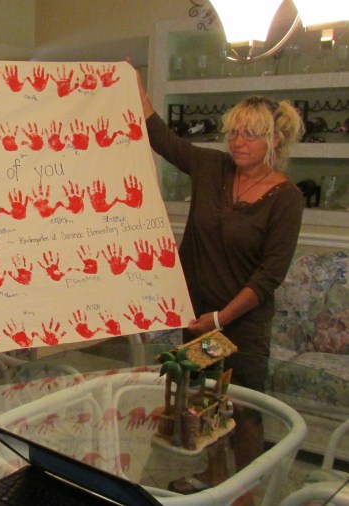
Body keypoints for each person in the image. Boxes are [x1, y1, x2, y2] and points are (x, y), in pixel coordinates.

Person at [133, 65, 304, 501]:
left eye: (250, 134)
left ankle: (245, 495)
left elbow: (270, 275)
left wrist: (220, 319)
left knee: (243, 410)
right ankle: (213, 478)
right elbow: (162, 138)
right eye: (234, 133)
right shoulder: (211, 168)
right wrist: (129, 83)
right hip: (198, 318)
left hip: (239, 325)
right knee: (202, 399)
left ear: (274, 140)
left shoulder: (286, 197)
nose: (238, 142)